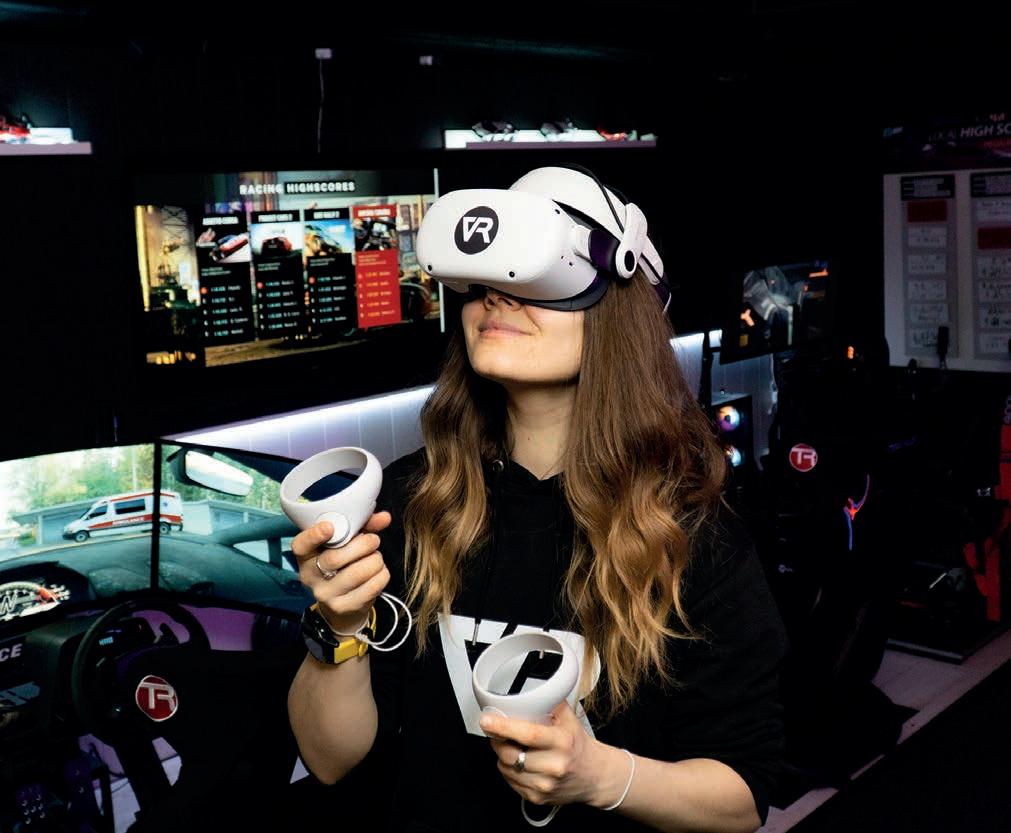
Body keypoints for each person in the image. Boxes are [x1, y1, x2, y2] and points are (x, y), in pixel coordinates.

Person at [287, 166, 789, 833]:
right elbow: (328, 761)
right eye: (484, 284)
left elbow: (742, 799)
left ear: (614, 311)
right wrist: (341, 625)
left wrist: (601, 776)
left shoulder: (690, 533)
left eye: (538, 280)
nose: (497, 298)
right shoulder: (407, 503)